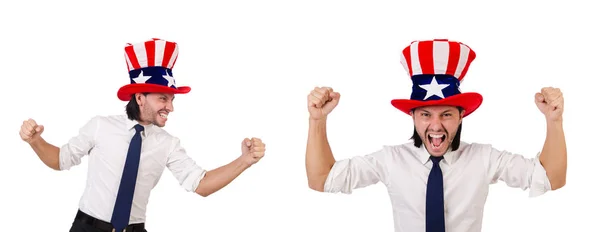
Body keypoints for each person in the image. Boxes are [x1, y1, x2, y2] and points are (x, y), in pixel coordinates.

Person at [304, 39, 567, 232]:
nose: (436, 126)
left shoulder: (484, 158)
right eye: (426, 114)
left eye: (447, 114)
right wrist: (317, 120)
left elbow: (550, 178)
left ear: (461, 116)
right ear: (413, 117)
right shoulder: (391, 160)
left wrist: (554, 120)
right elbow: (322, 179)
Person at [19, 38, 267, 232]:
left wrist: (244, 161)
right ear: (139, 97)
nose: (170, 107)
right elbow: (61, 160)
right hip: (88, 228)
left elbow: (200, 185)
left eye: (171, 100)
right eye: (163, 99)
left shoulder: (168, 144)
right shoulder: (100, 126)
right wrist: (35, 141)